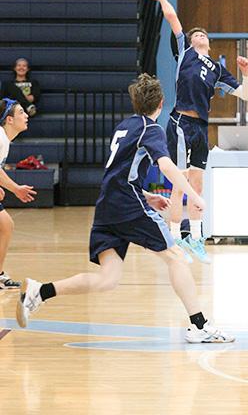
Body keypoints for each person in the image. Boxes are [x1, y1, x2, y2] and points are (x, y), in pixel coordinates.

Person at [16, 74, 234, 343]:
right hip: (127, 206)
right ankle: (199, 326)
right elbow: (166, 166)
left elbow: (117, 172)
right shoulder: (150, 128)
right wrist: (193, 197)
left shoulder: (125, 126)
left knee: (108, 279)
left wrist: (147, 195)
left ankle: (40, 292)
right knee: (175, 256)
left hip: (108, 206)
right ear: (161, 103)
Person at [144, 0, 248, 264]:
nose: (201, 35)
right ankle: (173, 240)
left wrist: (247, 73)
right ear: (191, 41)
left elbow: (247, 95)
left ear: (209, 42)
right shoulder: (186, 52)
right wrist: (162, 0)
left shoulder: (216, 69)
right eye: (197, 34)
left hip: (200, 128)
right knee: (179, 184)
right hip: (180, 122)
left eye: (204, 34)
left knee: (198, 185)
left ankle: (195, 238)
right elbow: (172, 18)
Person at [0, 98, 37, 289]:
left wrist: (14, 189)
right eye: (21, 112)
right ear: (9, 120)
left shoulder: (4, 140)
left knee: (5, 225)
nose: (26, 116)